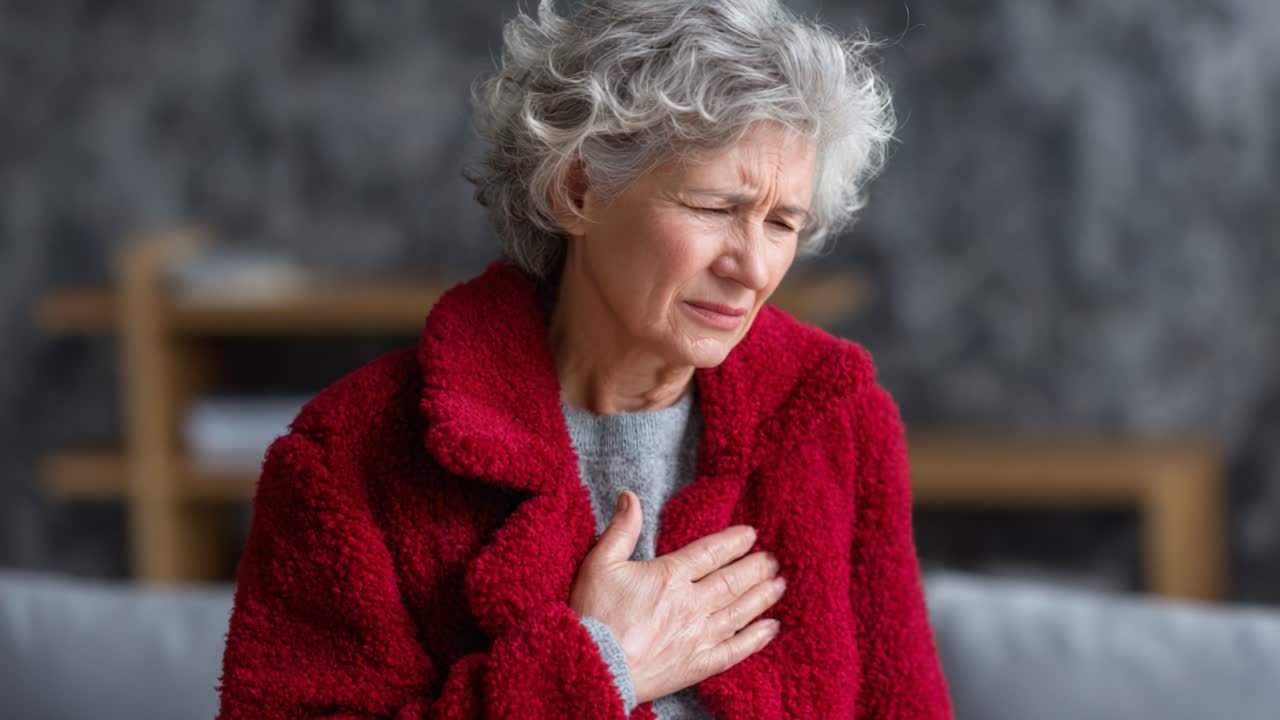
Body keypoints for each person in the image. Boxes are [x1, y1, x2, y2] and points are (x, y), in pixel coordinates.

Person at [216, 0, 952, 718]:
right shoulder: (355, 454)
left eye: (782, 222)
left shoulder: (837, 426)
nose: (753, 268)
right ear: (578, 190)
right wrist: (597, 666)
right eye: (713, 207)